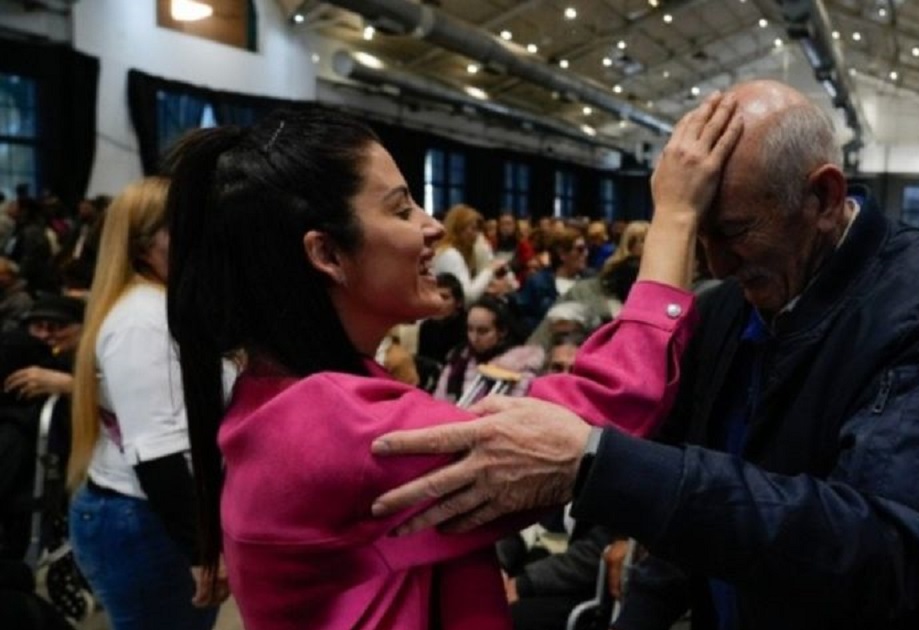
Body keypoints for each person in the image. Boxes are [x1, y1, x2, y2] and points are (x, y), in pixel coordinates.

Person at [369, 80, 919, 628]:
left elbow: (879, 549)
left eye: (735, 230)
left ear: (823, 198)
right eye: (699, 235)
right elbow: (693, 516)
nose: (716, 262)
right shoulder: (725, 309)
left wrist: (600, 463)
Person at [163, 102, 739, 629]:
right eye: (402, 208)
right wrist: (677, 216)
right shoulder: (329, 424)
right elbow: (603, 409)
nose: (431, 226)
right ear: (328, 254)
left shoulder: (288, 397)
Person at [65, 177, 225, 630]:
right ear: (141, 247)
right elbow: (157, 453)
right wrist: (201, 552)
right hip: (147, 519)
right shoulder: (144, 320)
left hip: (151, 514)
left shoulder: (162, 304)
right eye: (182, 230)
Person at [433, 295, 543, 403]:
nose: (474, 338)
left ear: (502, 332)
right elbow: (439, 402)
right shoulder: (459, 359)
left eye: (483, 331)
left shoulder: (520, 367)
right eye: (470, 329)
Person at [432, 204, 508, 304]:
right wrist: (490, 269)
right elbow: (467, 297)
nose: (477, 235)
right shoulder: (450, 255)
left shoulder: (446, 251)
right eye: (473, 229)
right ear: (459, 229)